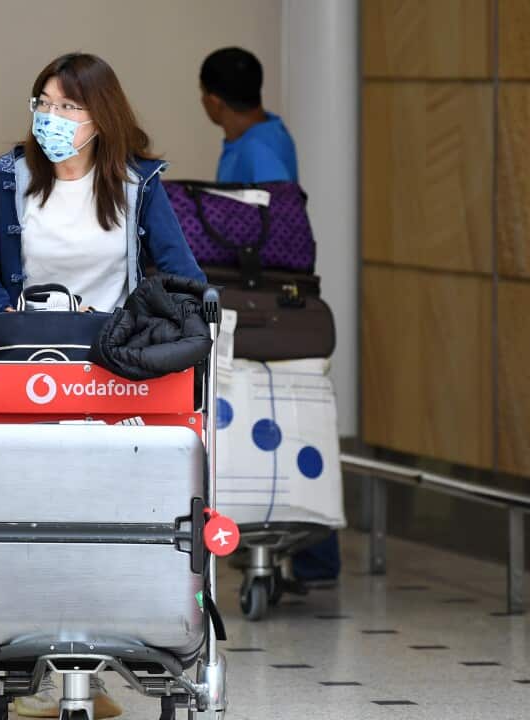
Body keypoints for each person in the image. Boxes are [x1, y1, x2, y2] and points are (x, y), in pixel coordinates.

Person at [0, 52, 204, 719]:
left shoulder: (137, 185)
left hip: (116, 373)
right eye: (43, 103)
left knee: (108, 522)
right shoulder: (6, 180)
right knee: (32, 515)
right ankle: (37, 664)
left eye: (68, 106)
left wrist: (148, 313)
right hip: (27, 366)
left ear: (101, 116)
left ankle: (97, 665)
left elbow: (182, 276)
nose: (51, 118)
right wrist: (0, 313)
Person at [200, 47, 340, 585]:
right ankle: (298, 553)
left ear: (212, 101)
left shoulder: (261, 152)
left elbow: (273, 218)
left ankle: (314, 556)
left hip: (265, 308)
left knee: (287, 416)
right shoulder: (262, 135)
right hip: (254, 297)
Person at [199, 47, 298, 185]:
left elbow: (276, 203)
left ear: (215, 101)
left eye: (203, 93)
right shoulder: (271, 133)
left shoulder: (259, 152)